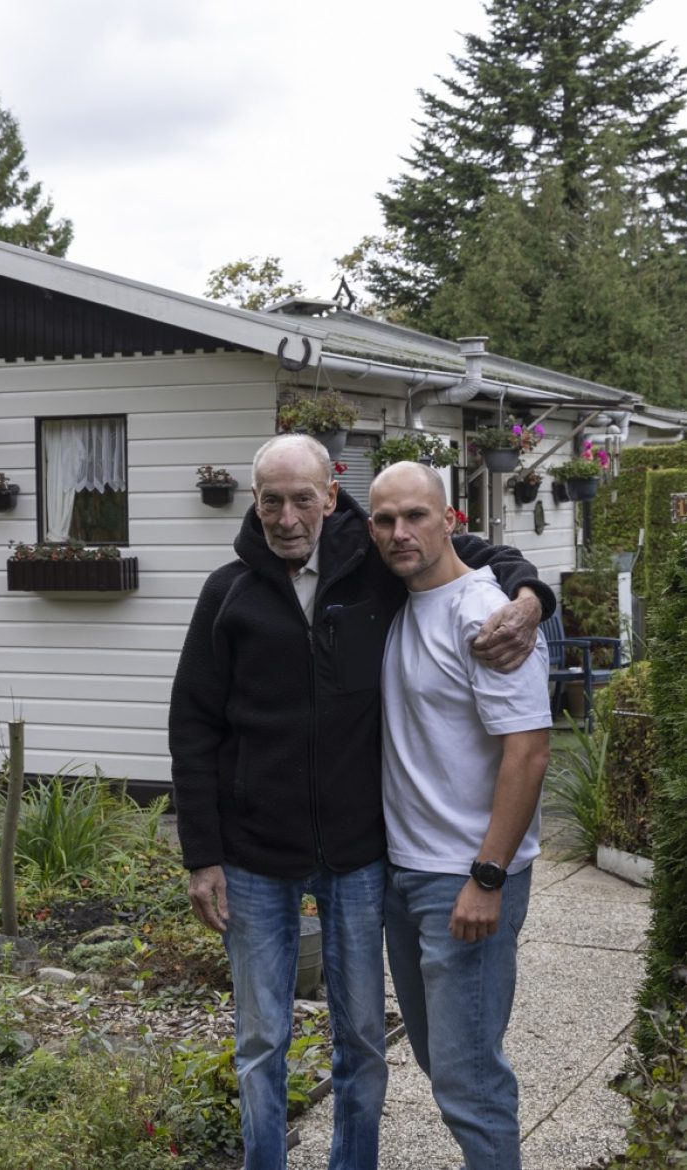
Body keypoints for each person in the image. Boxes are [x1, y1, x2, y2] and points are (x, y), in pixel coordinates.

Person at [168, 434, 554, 1170]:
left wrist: (533, 598)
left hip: (367, 860)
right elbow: (193, 726)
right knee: (263, 1040)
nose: (287, 516)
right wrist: (202, 854)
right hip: (273, 857)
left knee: (392, 1050)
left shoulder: (391, 576)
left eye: (303, 499)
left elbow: (479, 564)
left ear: (330, 498)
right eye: (271, 500)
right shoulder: (234, 592)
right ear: (255, 501)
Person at [368, 461, 551, 1170]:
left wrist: (488, 875)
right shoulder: (398, 601)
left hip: (464, 882)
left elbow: (530, 753)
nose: (398, 532)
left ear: (452, 520)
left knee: (470, 1081)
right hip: (405, 875)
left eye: (415, 515)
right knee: (444, 1063)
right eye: (384, 520)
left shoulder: (487, 616)